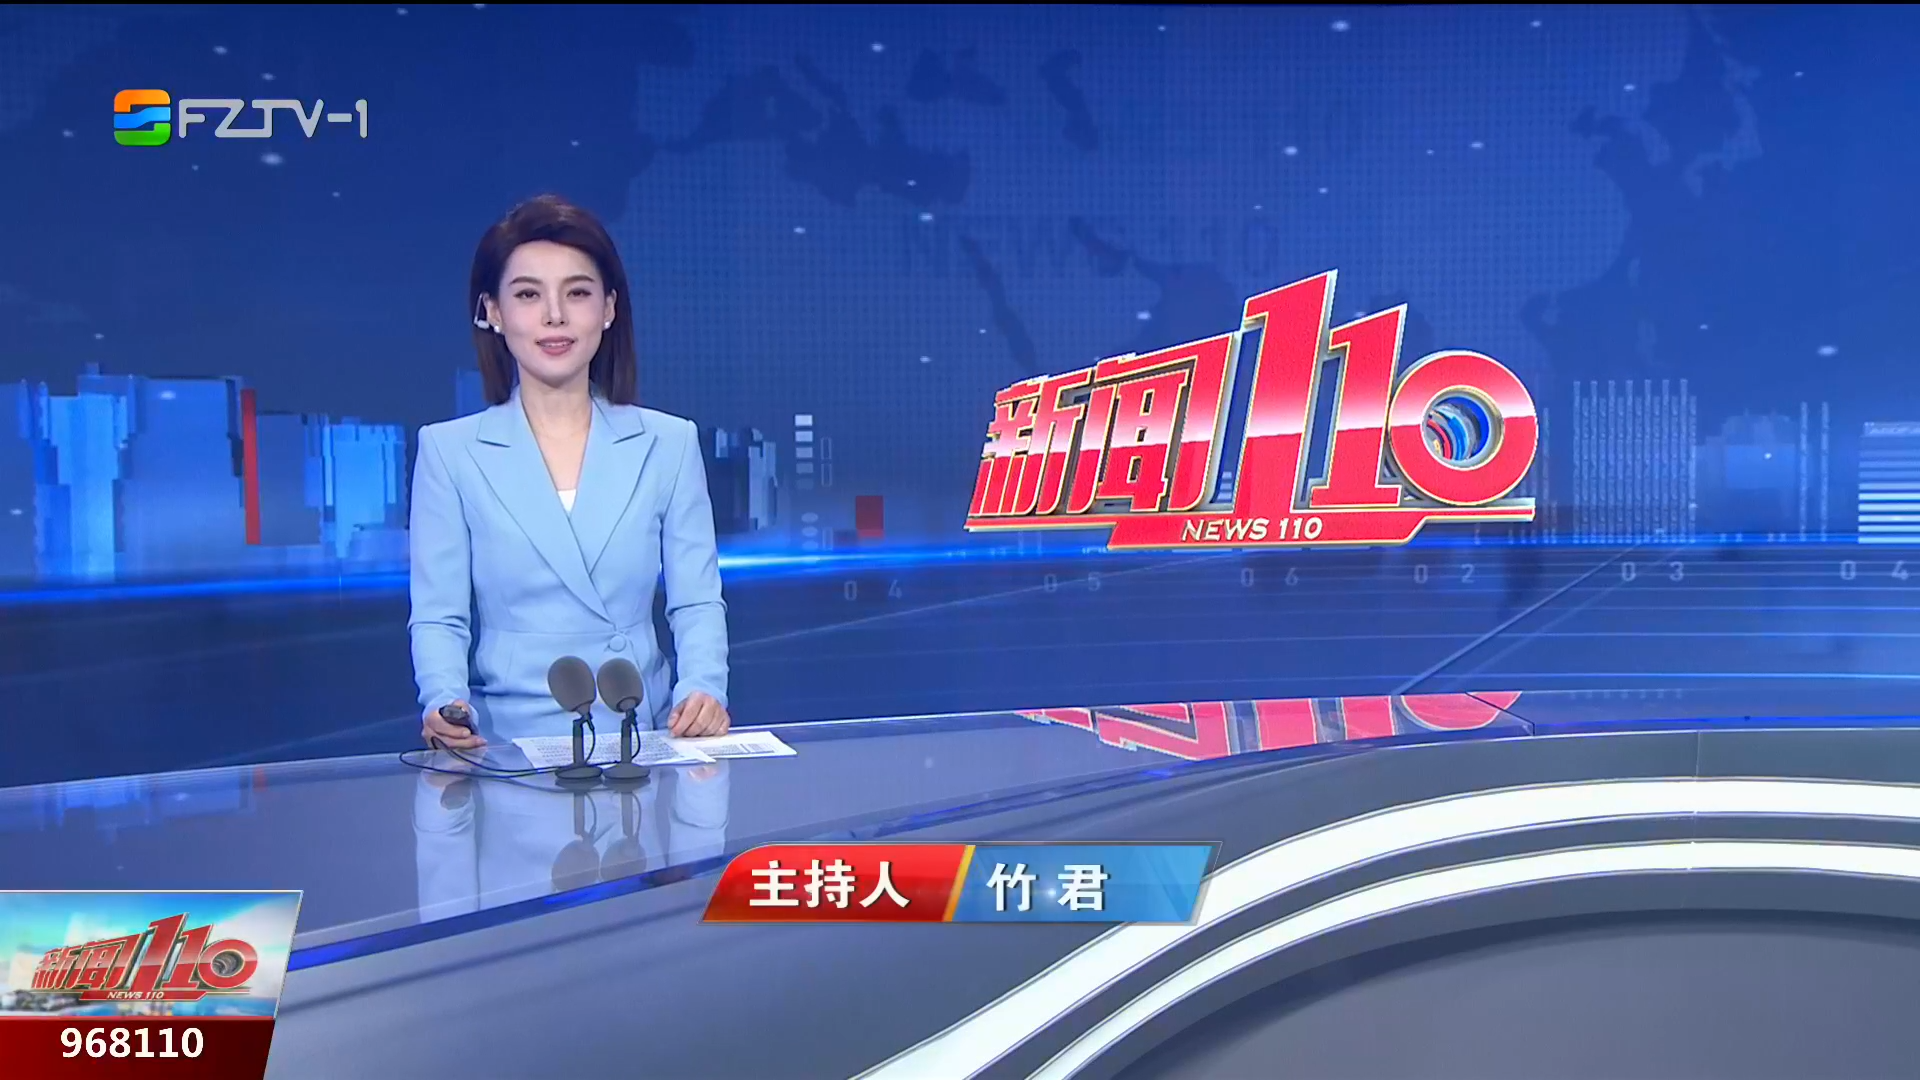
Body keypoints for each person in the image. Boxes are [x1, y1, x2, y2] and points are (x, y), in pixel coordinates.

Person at [409, 194, 730, 751]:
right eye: (528, 294)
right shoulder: (450, 452)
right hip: (509, 744)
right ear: (493, 311)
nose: (554, 315)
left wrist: (703, 689)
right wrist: (443, 700)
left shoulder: (669, 443)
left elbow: (696, 600)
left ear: (608, 308)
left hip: (639, 734)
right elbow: (440, 616)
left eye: (577, 293)